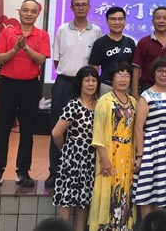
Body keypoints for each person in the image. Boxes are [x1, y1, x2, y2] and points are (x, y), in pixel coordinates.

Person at [0, 0, 51, 190]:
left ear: (38, 14)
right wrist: (14, 49)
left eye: (33, 11)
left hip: (30, 86)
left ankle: (23, 171)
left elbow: (40, 60)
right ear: (19, 12)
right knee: (2, 130)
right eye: (25, 10)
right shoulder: (8, 32)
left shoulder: (42, 35)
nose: (29, 14)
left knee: (27, 131)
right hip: (8, 85)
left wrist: (26, 47)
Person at [47, 0, 102, 188]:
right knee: (58, 126)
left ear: (89, 7)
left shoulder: (96, 31)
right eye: (77, 5)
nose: (80, 7)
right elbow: (56, 60)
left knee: (85, 129)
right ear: (71, 8)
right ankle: (55, 171)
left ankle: (83, 170)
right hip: (64, 82)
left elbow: (96, 61)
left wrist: (86, 82)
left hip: (86, 84)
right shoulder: (62, 30)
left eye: (84, 4)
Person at [88, 62, 137, 231]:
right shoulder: (104, 101)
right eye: (119, 75)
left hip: (128, 155)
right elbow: (98, 132)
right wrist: (104, 158)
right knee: (109, 192)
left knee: (125, 192)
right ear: (112, 79)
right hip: (110, 154)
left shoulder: (133, 102)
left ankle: (123, 227)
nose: (123, 79)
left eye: (126, 75)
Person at [132, 56, 166, 219]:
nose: (164, 74)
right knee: (146, 190)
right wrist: (140, 155)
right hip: (151, 148)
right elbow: (138, 127)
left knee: (162, 190)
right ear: (153, 73)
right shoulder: (146, 96)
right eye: (160, 70)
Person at [51, 65, 99, 231]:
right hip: (73, 159)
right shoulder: (73, 105)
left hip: (91, 159)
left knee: (85, 199)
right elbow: (56, 133)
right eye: (87, 80)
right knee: (67, 198)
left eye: (94, 80)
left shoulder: (100, 105)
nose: (91, 84)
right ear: (80, 83)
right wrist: (66, 150)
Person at [133, 6, 166, 97]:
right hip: (148, 89)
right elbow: (137, 69)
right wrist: (134, 93)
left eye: (165, 18)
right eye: (158, 18)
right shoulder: (143, 42)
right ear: (152, 21)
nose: (161, 21)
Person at [89, 6, 136, 95]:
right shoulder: (100, 43)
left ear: (124, 21)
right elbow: (94, 69)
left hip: (126, 87)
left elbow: (134, 68)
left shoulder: (130, 42)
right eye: (113, 19)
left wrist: (134, 90)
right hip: (107, 86)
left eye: (120, 19)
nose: (117, 22)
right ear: (107, 21)